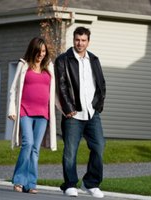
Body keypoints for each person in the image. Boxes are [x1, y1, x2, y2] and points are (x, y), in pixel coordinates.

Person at [54, 26, 106, 198]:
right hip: (73, 115)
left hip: (92, 114)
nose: (80, 43)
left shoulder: (94, 59)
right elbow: (61, 86)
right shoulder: (63, 60)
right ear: (73, 40)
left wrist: (98, 105)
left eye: (83, 40)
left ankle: (90, 183)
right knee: (70, 151)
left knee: (99, 147)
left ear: (88, 41)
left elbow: (101, 84)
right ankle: (69, 184)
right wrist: (68, 108)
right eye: (77, 39)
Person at [8, 36, 57, 194]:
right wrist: (12, 109)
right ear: (33, 50)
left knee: (35, 149)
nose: (41, 54)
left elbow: (55, 95)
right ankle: (19, 181)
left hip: (43, 114)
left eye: (44, 51)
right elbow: (14, 88)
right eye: (39, 51)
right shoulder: (24, 66)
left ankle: (30, 184)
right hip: (25, 111)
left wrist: (66, 109)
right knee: (27, 144)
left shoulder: (49, 68)